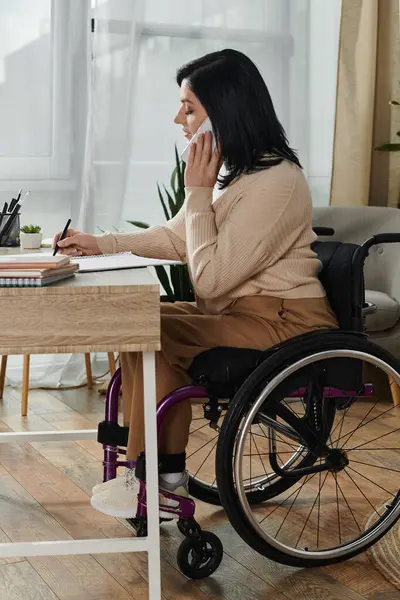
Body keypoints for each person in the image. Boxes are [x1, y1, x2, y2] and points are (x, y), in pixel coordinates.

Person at [54, 49, 338, 518]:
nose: (177, 118)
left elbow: (209, 276)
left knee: (157, 334)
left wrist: (199, 192)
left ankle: (158, 480)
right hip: (238, 314)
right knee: (137, 322)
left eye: (189, 108)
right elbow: (177, 235)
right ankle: (150, 473)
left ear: (224, 111)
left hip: (286, 322)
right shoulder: (234, 171)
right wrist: (99, 244)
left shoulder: (276, 181)